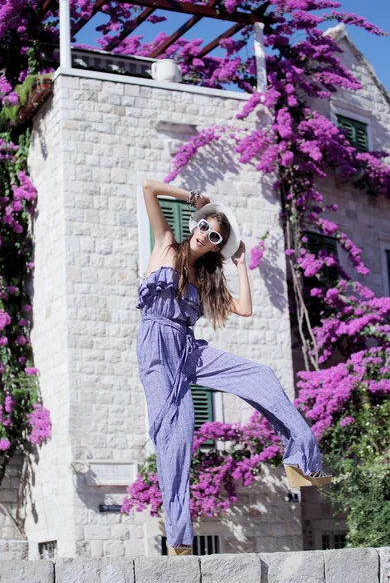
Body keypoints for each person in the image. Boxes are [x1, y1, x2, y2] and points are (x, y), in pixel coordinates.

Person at [136, 179, 331, 556]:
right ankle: (180, 540)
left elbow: (244, 309)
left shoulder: (205, 280)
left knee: (261, 375)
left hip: (188, 347)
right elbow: (147, 188)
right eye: (204, 226)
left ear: (215, 247)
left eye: (214, 236)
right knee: (176, 436)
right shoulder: (165, 243)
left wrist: (240, 264)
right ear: (195, 225)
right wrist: (194, 199)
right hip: (157, 349)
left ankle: (302, 460)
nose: (206, 234)